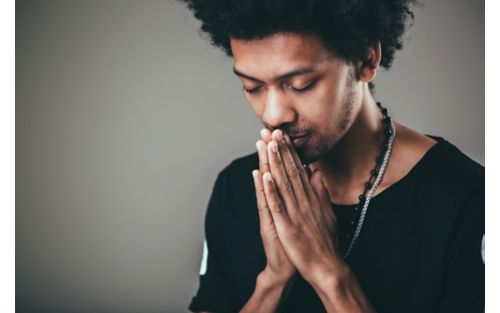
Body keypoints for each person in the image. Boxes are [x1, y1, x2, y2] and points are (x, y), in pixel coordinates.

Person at [180, 0, 485, 312]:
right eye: (252, 86)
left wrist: (329, 274)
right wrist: (273, 281)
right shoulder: (235, 188)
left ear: (366, 59)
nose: (273, 114)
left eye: (301, 85)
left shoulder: (470, 202)